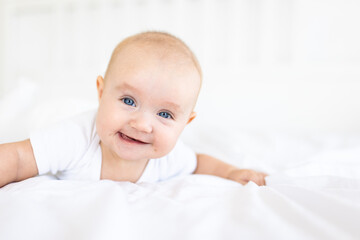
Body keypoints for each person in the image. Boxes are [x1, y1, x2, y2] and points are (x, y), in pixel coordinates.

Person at [0, 31, 267, 188]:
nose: (141, 124)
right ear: (102, 92)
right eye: (128, 101)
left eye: (164, 115)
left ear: (186, 123)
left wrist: (233, 173)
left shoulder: (167, 157)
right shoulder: (74, 138)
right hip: (54, 115)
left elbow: (199, 163)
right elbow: (19, 159)